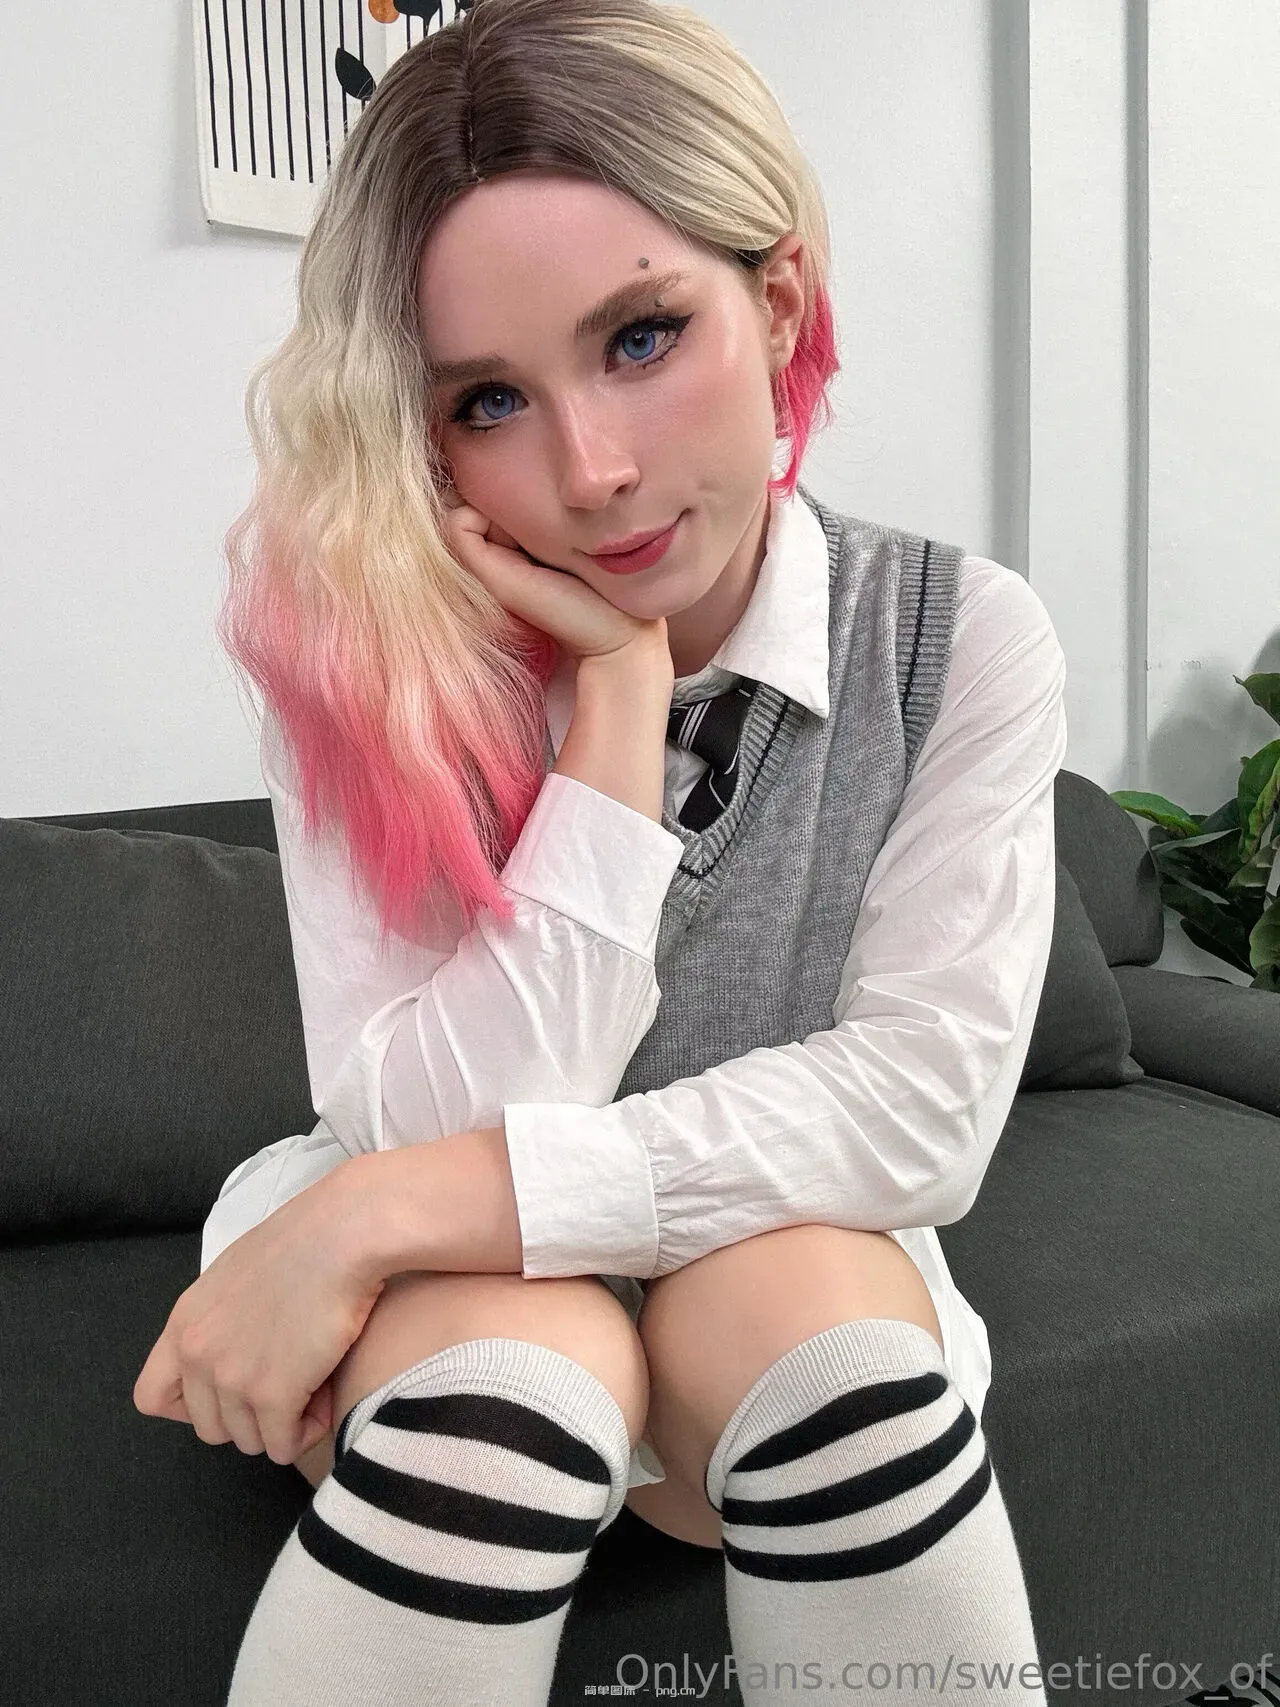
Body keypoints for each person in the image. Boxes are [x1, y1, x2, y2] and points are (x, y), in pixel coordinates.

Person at [136, 0, 1068, 1701]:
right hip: (449, 1303)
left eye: (642, 336)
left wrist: (375, 1213)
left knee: (820, 1325)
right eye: (489, 399)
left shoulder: (958, 639)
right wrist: (617, 717)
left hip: (744, 1278)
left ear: (776, 300)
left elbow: (919, 1107)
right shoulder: (367, 667)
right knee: (520, 1354)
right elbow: (416, 1105)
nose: (592, 471)